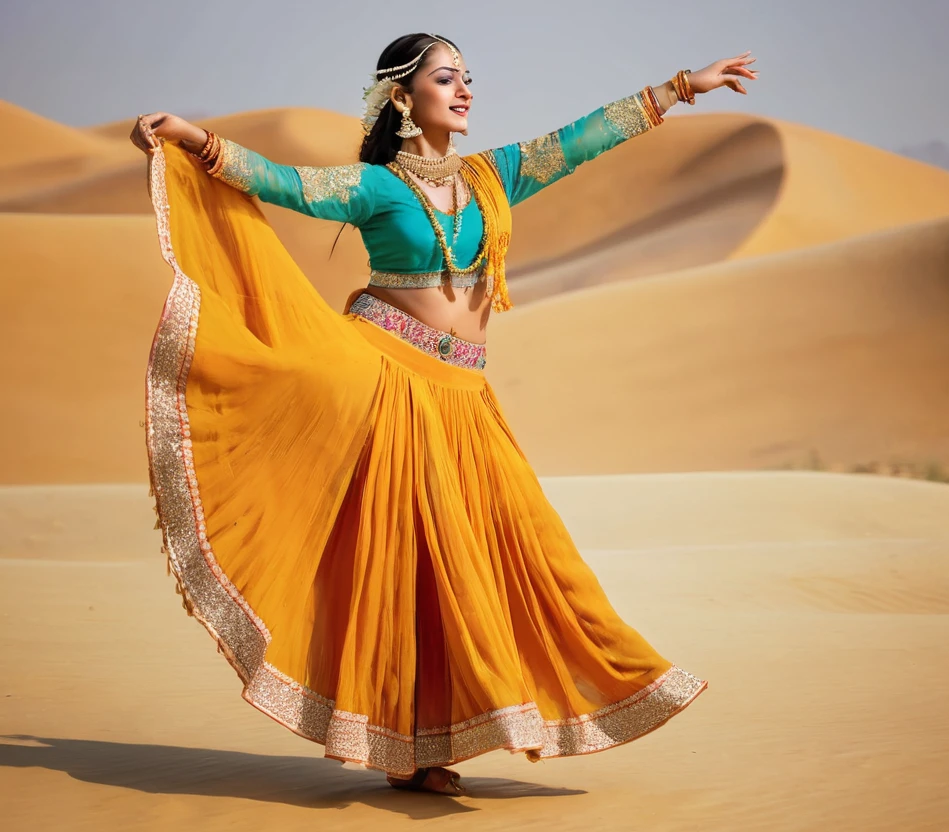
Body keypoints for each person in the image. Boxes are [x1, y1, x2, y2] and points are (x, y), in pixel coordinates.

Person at [131, 33, 757, 796]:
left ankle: (484, 721)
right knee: (417, 569)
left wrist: (684, 86)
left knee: (527, 555)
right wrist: (192, 138)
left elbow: (584, 137)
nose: (464, 91)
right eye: (446, 78)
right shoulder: (375, 186)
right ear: (403, 97)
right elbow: (283, 183)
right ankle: (418, 752)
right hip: (392, 386)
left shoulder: (496, 177)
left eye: (468, 78)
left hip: (467, 398)